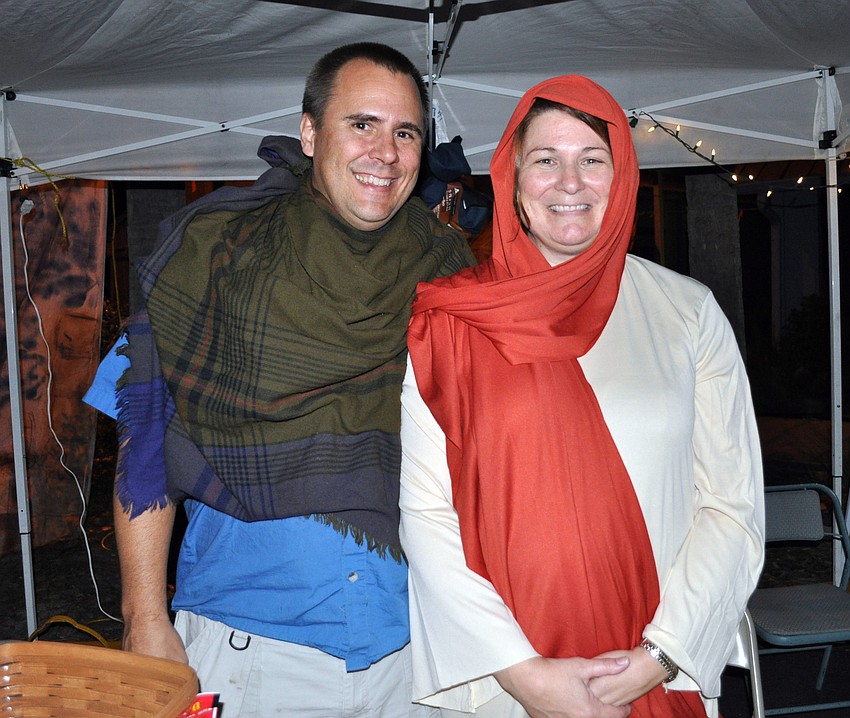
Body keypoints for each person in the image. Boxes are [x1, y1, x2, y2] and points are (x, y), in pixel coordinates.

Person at [83, 42, 475, 717]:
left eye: (406, 132)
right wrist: (143, 616)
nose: (386, 152)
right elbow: (143, 439)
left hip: (416, 649)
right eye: (363, 124)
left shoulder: (447, 269)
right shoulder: (215, 252)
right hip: (251, 652)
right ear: (310, 133)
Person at [398, 74, 765, 718]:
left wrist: (658, 656)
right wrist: (525, 675)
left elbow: (731, 505)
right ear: (513, 178)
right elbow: (427, 514)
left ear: (622, 177)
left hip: (656, 673)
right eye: (546, 160)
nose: (570, 183)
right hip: (507, 684)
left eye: (592, 160)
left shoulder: (687, 312)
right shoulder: (452, 320)